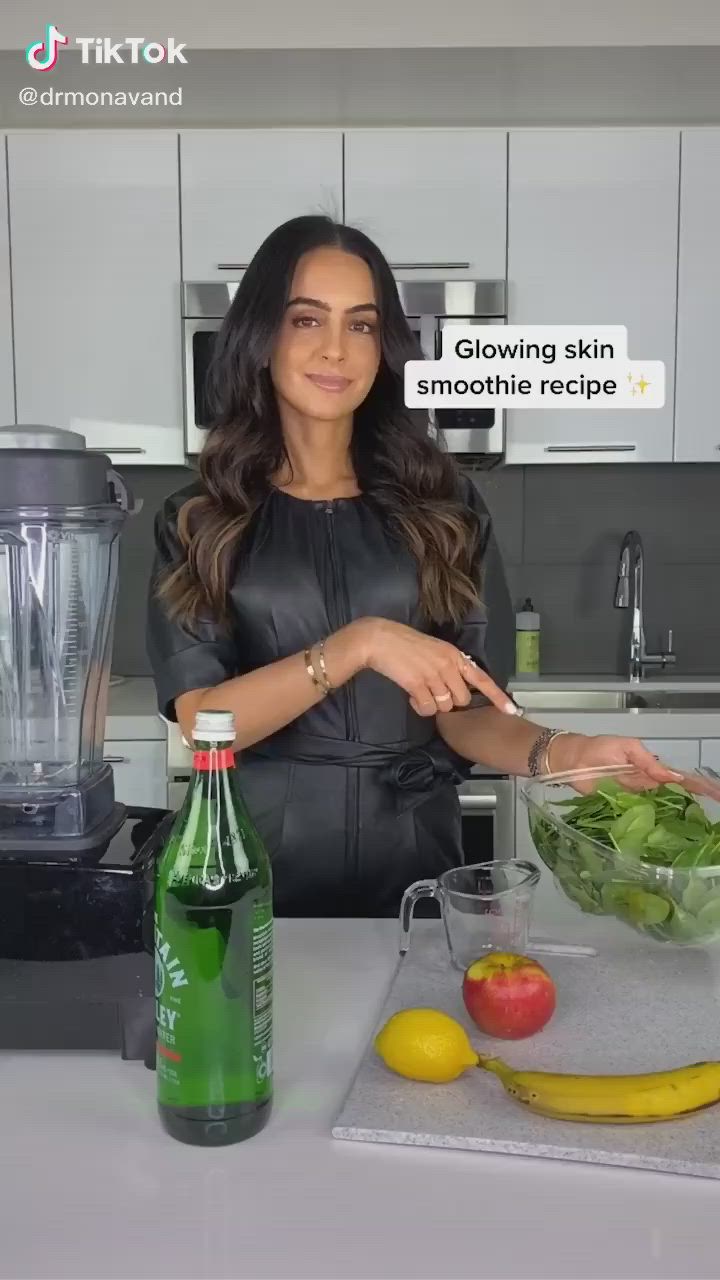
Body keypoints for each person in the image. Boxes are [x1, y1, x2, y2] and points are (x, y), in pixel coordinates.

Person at [146, 214, 682, 918]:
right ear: (262, 335)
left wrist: (567, 751)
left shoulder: (446, 504)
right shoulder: (199, 517)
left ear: (385, 346)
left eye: (362, 325)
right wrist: (358, 644)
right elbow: (206, 721)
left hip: (417, 870)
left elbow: (465, 715)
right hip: (258, 874)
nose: (336, 349)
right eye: (307, 319)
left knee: (422, 1027)